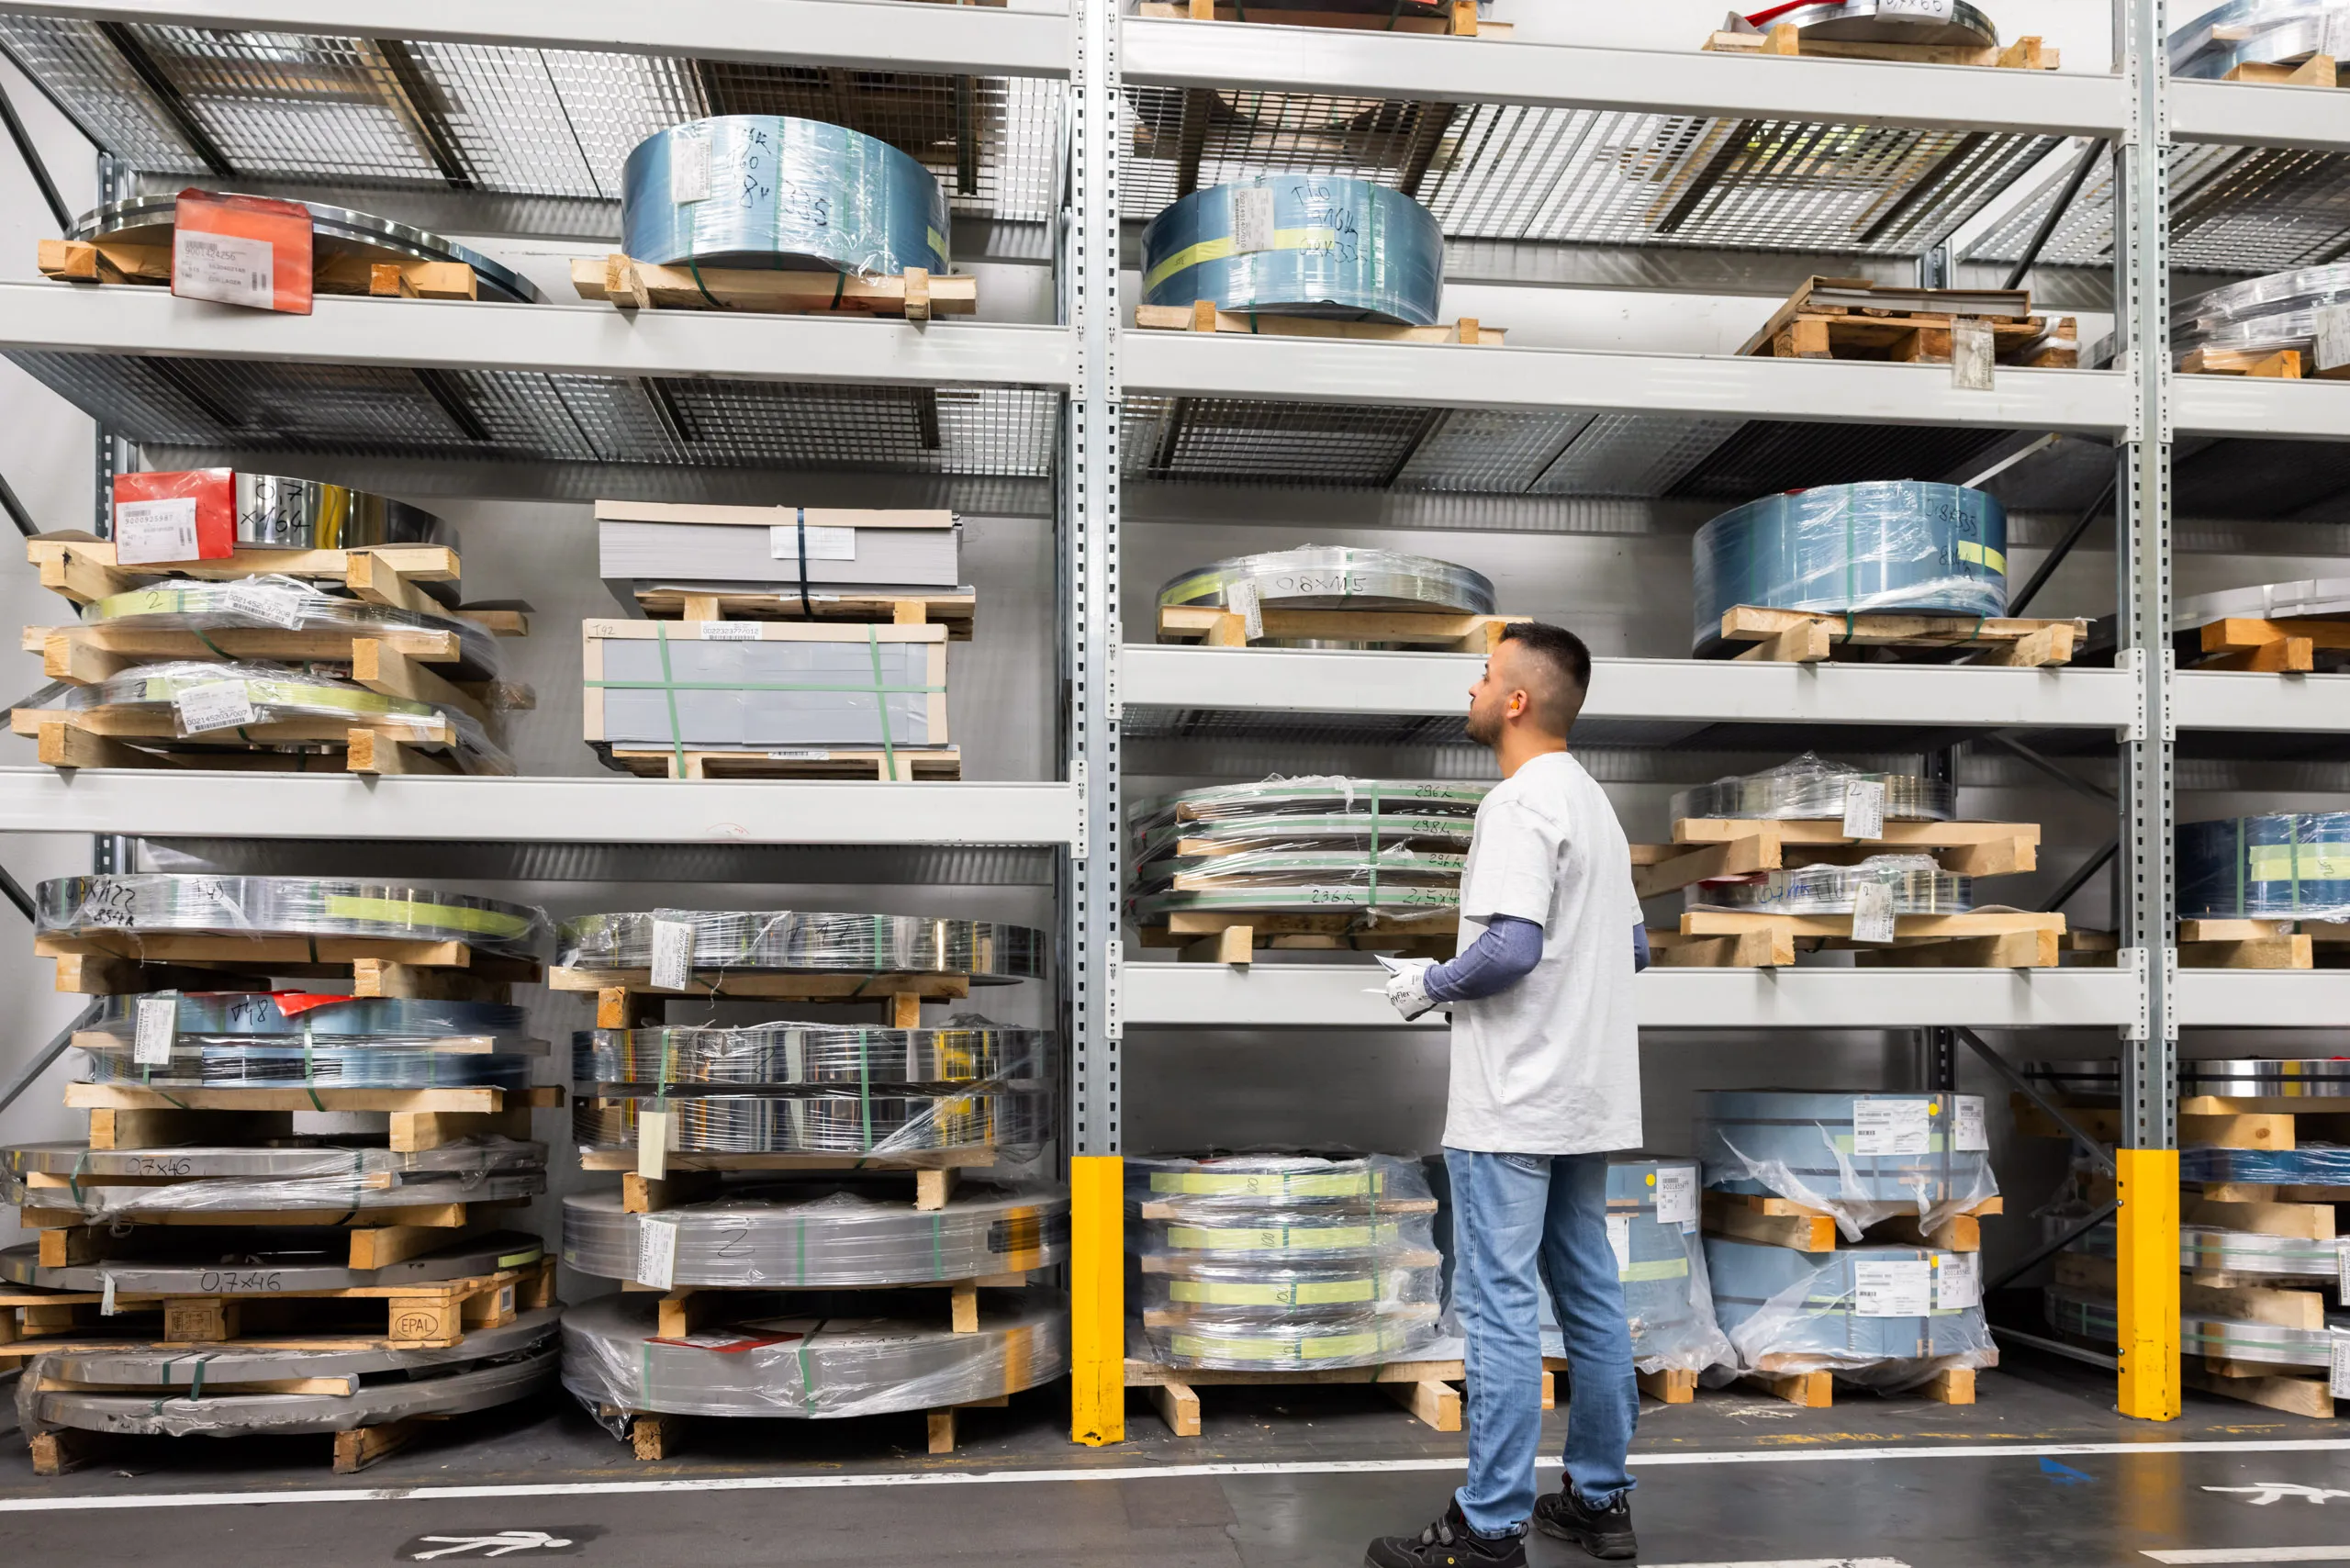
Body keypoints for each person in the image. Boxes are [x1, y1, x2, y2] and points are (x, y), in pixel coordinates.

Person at [1364, 622, 1646, 1568]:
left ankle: (1488, 1529)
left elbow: (1511, 948)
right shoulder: (1593, 806)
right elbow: (1633, 947)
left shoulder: (1519, 802)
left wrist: (1427, 985)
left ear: (1517, 699)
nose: (1472, 688)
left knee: (1496, 1310)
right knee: (1590, 1296)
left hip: (1515, 1096)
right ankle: (1601, 1501)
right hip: (1588, 1092)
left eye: (1484, 675)